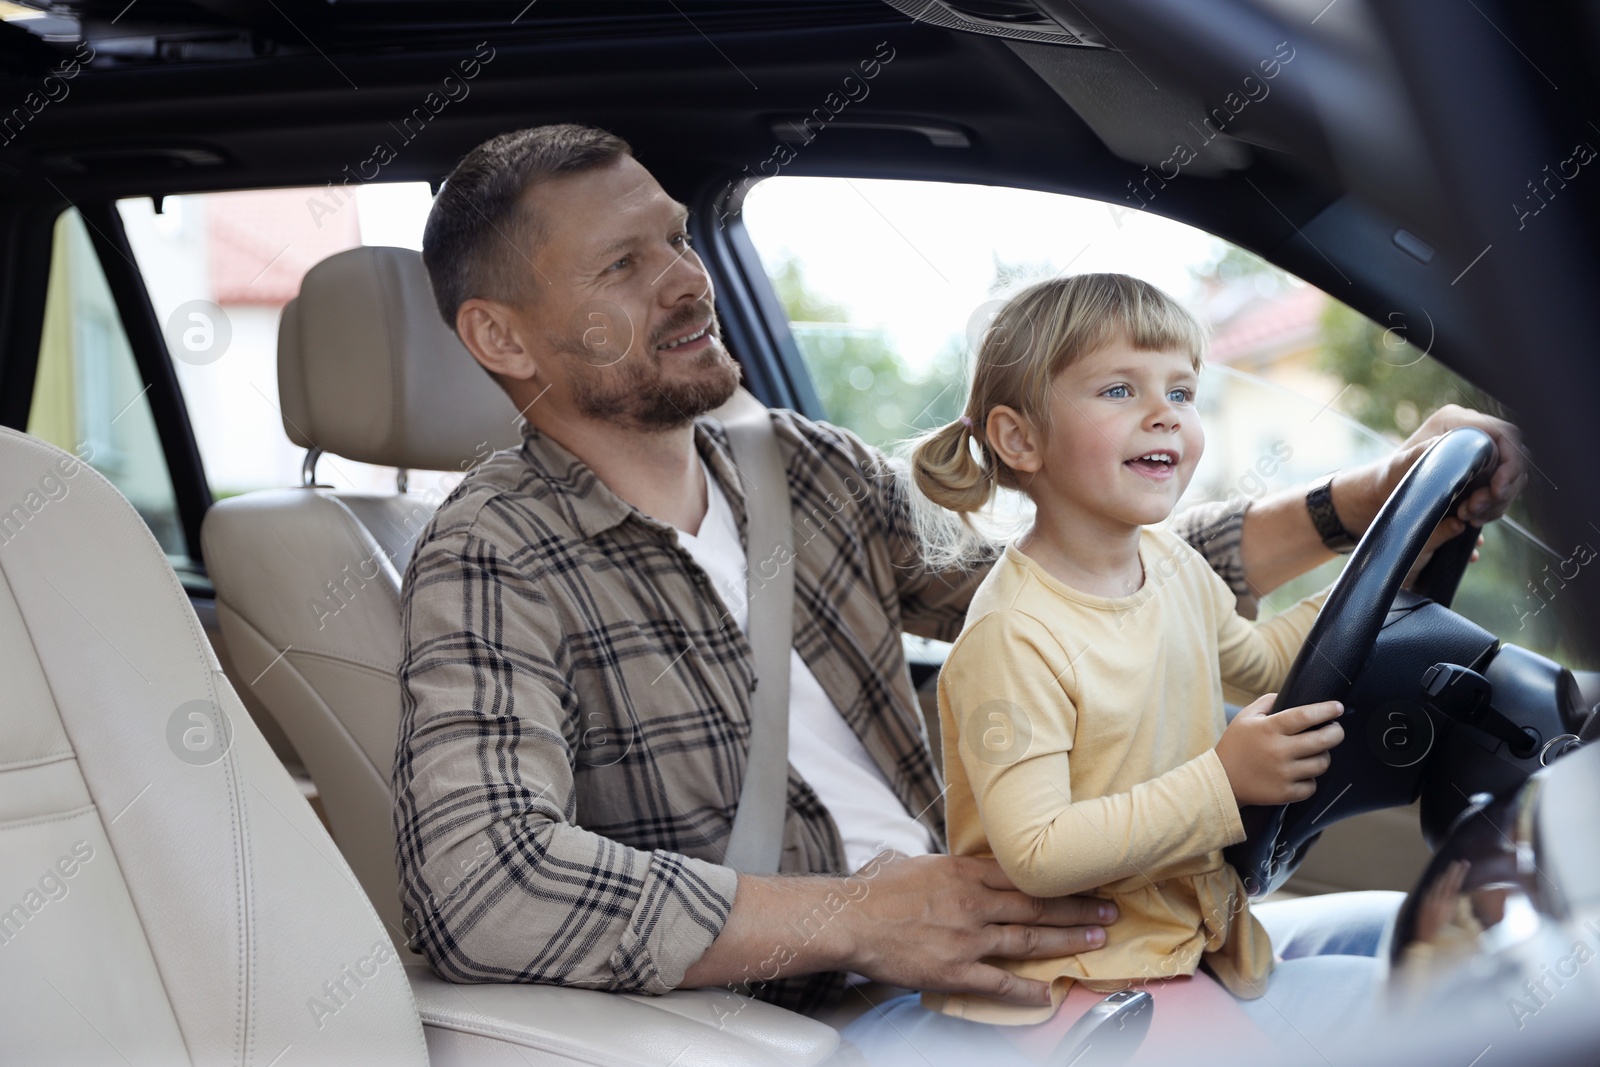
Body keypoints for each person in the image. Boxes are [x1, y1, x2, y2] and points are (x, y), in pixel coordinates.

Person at [392, 122, 1527, 1038]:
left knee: (1446, 937)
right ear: (503, 336)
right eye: (624, 264)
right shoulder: (493, 555)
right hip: (825, 1012)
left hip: (1030, 942)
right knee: (1445, 1014)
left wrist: (1352, 505)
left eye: (678, 240)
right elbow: (481, 886)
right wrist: (856, 919)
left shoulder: (801, 467)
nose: (688, 282)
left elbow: (1074, 580)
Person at [845, 273, 1378, 1063]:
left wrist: (1376, 581)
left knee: (1403, 975)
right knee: (1397, 1013)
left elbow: (1261, 659)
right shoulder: (1012, 635)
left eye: (1183, 390)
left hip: (1171, 949)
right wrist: (1222, 783)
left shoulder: (1172, 567)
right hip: (1066, 984)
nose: (1166, 413)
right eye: (1121, 388)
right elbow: (1039, 849)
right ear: (1020, 439)